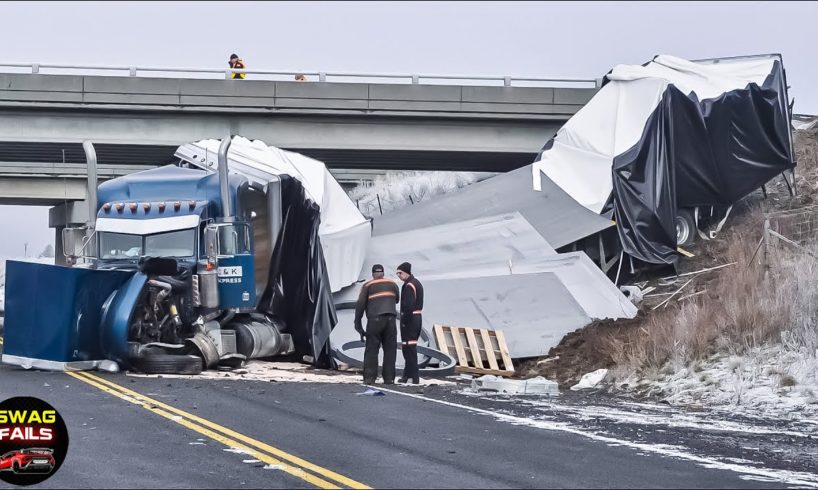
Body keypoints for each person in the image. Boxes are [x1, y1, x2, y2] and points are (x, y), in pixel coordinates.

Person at [354, 264, 400, 385]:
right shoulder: (392, 284)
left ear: (373, 274)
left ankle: (369, 378)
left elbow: (360, 305)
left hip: (375, 320)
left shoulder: (368, 285)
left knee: (372, 349)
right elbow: (396, 299)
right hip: (391, 319)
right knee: (390, 349)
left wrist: (357, 324)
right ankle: (389, 378)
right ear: (383, 273)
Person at [396, 262, 423, 384]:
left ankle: (415, 377)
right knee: (408, 347)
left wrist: (404, 322)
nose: (399, 276)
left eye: (400, 273)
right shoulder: (416, 283)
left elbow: (408, 306)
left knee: (409, 349)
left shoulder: (409, 286)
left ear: (406, 272)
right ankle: (407, 376)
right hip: (417, 318)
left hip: (410, 319)